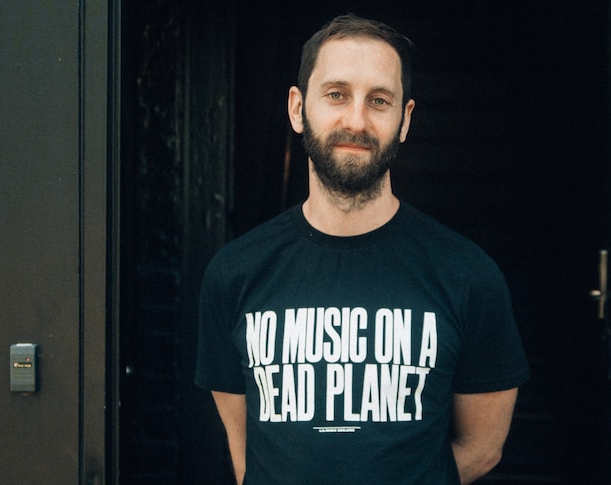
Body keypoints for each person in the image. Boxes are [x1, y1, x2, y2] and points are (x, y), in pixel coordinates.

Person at [195, 13, 529, 484]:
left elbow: (484, 448)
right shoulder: (234, 273)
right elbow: (246, 452)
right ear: (297, 108)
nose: (356, 120)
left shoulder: (469, 276)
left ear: (405, 120)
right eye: (336, 94)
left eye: (378, 100)